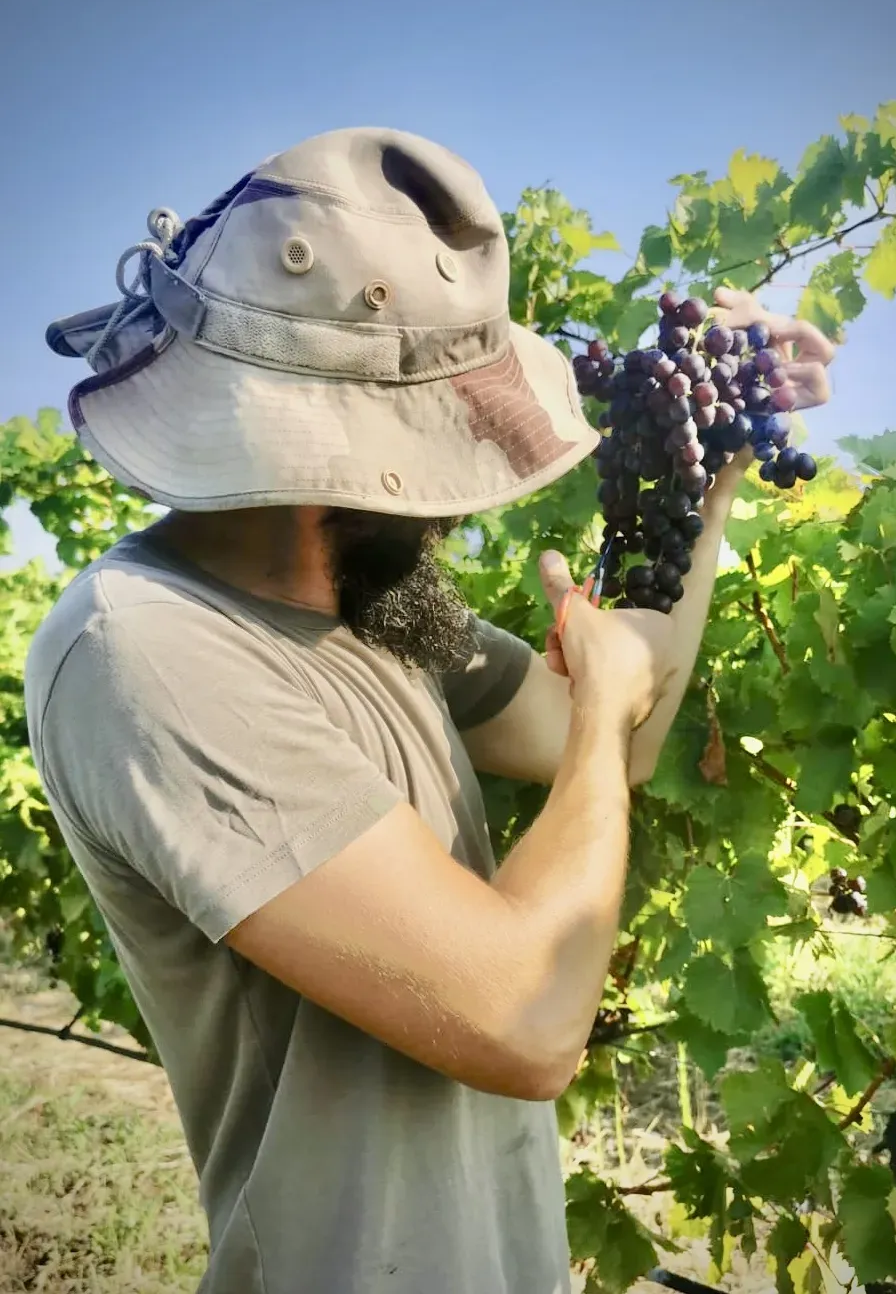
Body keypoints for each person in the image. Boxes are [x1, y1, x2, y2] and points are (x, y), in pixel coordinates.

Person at [25, 127, 833, 1294]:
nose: (456, 499)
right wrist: (601, 713)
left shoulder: (380, 605)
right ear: (329, 457)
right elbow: (526, 1016)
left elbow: (618, 736)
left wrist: (713, 472)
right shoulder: (149, 651)